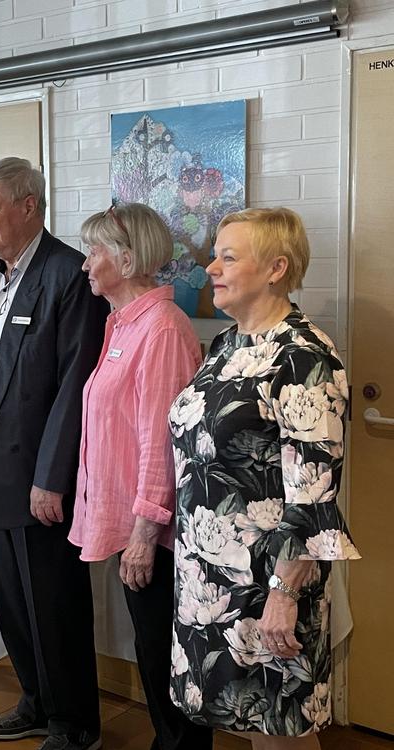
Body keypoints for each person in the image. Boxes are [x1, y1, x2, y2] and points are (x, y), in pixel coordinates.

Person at [168, 208, 360, 749]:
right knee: (251, 721)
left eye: (228, 258)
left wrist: (284, 593)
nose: (211, 268)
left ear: (277, 268)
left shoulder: (303, 357)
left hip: (269, 580)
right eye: (214, 256)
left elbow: (314, 497)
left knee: (282, 728)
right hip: (212, 574)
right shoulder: (228, 344)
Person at [0, 157, 109, 750]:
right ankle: (37, 702)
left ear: (28, 206)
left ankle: (75, 724)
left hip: (40, 476)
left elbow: (74, 385)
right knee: (14, 602)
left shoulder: (67, 274)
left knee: (53, 603)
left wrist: (52, 476)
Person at [69, 204, 212, 750]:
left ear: (126, 260)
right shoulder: (123, 322)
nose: (85, 264)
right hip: (132, 521)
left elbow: (161, 442)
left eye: (93, 252)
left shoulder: (162, 328)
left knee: (166, 659)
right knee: (154, 654)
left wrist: (144, 533)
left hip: (154, 532)